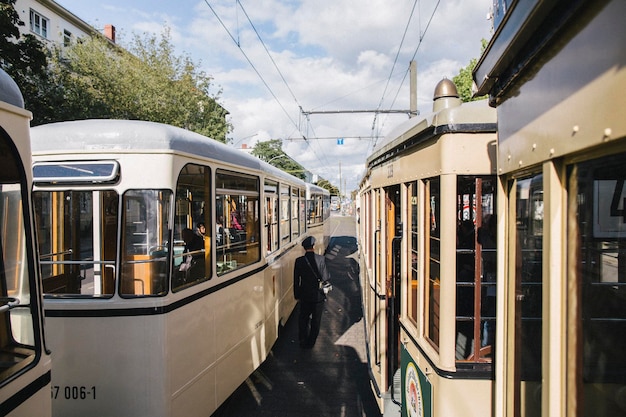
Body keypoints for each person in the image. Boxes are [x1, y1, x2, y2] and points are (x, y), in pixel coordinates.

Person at [293, 236, 329, 348]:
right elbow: (326, 277)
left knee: (303, 318)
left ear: (304, 248)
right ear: (313, 246)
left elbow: (296, 280)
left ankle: (302, 340)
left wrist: (297, 295)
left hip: (304, 296)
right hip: (318, 297)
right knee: (316, 320)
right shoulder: (321, 259)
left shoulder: (299, 261)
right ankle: (311, 342)